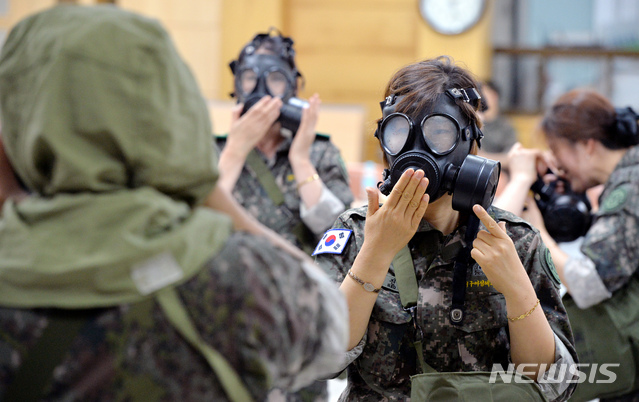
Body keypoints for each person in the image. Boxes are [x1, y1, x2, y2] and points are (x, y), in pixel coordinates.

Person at [0, 5, 348, 401]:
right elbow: (329, 325)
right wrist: (207, 172)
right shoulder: (238, 278)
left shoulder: (318, 153)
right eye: (250, 78)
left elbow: (340, 228)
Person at [314, 56, 578, 401]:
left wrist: (517, 290)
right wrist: (374, 255)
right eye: (400, 133)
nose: (417, 149)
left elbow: (555, 385)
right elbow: (319, 359)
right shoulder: (356, 233)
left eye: (439, 134)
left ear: (471, 145)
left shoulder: (512, 239)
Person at [503, 89, 639, 401]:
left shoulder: (630, 189)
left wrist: (538, 231)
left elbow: (589, 283)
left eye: (557, 150)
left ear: (588, 145)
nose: (559, 166)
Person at [215, 29, 354, 258]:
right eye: (250, 77)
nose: (261, 89)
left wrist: (300, 160)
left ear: (292, 88)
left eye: (275, 79)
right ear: (237, 85)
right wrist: (234, 152)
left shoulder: (319, 153)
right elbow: (197, 224)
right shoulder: (213, 152)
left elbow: (341, 236)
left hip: (298, 283)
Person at [477, 80, 519, 167]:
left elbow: (511, 157)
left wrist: (483, 158)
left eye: (482, 93)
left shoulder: (505, 126)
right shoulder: (473, 122)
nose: (479, 97)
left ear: (494, 96)